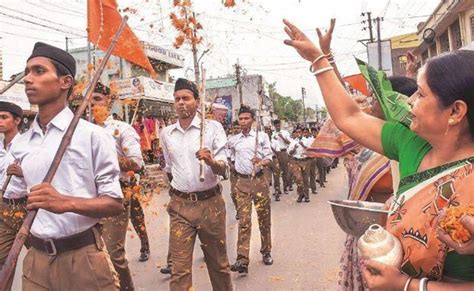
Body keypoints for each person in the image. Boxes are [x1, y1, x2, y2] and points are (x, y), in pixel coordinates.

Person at [284, 18, 474, 289]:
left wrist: (408, 286)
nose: (409, 102)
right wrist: (317, 59)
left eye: (421, 94)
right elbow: (349, 116)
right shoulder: (410, 142)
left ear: (455, 112)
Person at [10, 42, 123, 290]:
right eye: (27, 72)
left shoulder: (92, 136)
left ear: (65, 81)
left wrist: (65, 202)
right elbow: (15, 194)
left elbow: (114, 202)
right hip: (36, 262)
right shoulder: (21, 143)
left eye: (39, 71)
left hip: (83, 259)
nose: (28, 79)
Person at [160, 78, 232, 291]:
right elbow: (169, 168)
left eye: (186, 98)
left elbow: (225, 169)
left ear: (197, 101)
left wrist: (210, 160)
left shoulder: (212, 128)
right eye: (177, 99)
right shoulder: (166, 133)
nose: (181, 102)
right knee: (179, 270)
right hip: (180, 207)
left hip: (210, 205)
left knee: (218, 265)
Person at [90, 81, 147, 290]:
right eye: (89, 99)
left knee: (114, 253)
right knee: (91, 254)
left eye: (97, 99)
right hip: (87, 196)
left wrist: (108, 157)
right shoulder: (82, 130)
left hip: (117, 194)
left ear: (109, 102)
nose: (91, 104)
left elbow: (136, 164)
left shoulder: (122, 129)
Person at [227, 105, 273, 274]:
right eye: (241, 118)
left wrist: (260, 161)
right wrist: (232, 166)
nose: (244, 121)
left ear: (253, 120)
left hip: (259, 181)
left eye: (247, 118)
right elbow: (229, 157)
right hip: (242, 183)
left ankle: (266, 251)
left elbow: (269, 157)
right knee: (244, 221)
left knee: (263, 218)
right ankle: (242, 259)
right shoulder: (233, 140)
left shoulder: (261, 137)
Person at [0, 101, 28, 291]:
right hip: (5, 209)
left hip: (27, 208)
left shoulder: (28, 145)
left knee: (44, 254)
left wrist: (24, 172)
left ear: (17, 120)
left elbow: (46, 175)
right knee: (3, 259)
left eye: (4, 117)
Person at [288, 127, 313, 202]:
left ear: (302, 133)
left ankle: (306, 196)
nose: (298, 133)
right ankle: (300, 194)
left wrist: (303, 145)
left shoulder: (307, 140)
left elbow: (310, 151)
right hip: (296, 161)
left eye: (300, 132)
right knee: (298, 179)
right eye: (297, 132)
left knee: (305, 179)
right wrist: (294, 148)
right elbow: (290, 153)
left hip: (305, 161)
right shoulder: (293, 142)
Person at [271, 119, 291, 193]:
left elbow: (289, 142)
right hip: (275, 154)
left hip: (283, 152)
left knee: (285, 171)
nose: (278, 127)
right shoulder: (273, 134)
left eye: (279, 125)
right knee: (276, 171)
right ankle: (277, 189)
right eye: (276, 126)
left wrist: (282, 137)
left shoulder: (285, 132)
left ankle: (285, 188)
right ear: (274, 126)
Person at [227, 121, 241, 219]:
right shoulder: (229, 140)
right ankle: (238, 210)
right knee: (234, 193)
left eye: (238, 127)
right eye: (234, 127)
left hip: (244, 170)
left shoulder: (245, 139)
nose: (236, 129)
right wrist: (230, 164)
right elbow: (227, 154)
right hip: (234, 168)